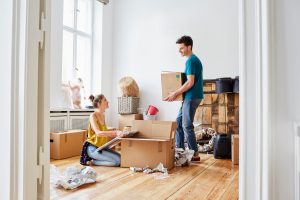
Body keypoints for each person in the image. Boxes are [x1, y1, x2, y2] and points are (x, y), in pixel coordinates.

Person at [164, 35, 203, 162]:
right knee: (178, 123)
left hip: (191, 97)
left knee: (186, 125)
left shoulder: (191, 60)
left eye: (181, 48)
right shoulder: (192, 60)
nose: (179, 51)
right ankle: (179, 151)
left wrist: (175, 93)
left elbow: (190, 82)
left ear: (189, 46)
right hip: (189, 97)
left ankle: (194, 154)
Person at [80, 94, 125, 166]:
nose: (108, 102)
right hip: (92, 148)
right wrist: (115, 132)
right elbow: (98, 133)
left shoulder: (103, 115)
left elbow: (104, 131)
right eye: (105, 100)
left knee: (121, 158)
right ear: (99, 103)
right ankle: (92, 162)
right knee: (117, 162)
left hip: (101, 147)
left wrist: (116, 132)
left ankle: (97, 159)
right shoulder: (93, 116)